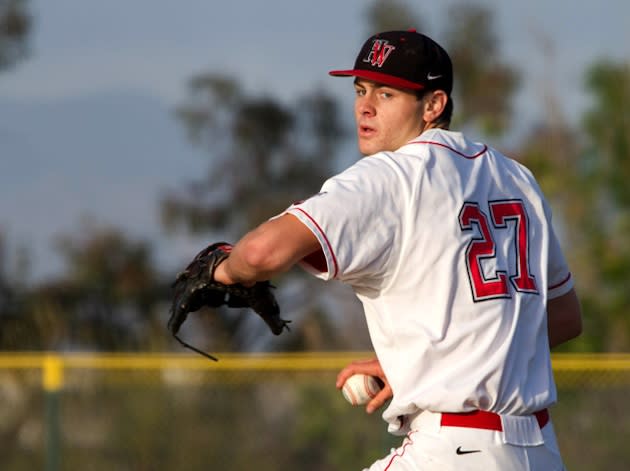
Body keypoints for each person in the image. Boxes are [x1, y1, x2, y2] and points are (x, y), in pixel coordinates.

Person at [212, 29, 582, 470]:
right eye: (360, 89)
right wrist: (428, 360)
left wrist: (221, 268)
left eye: (387, 94)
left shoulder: (391, 176)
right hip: (539, 452)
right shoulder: (517, 178)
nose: (364, 106)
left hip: (451, 450)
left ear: (433, 105)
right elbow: (563, 317)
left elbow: (260, 254)